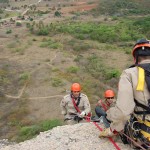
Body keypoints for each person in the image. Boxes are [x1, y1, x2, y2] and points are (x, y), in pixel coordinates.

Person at [99, 39, 150, 149]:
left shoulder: (129, 74)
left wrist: (112, 130)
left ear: (135, 58)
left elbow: (123, 111)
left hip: (144, 135)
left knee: (111, 115)